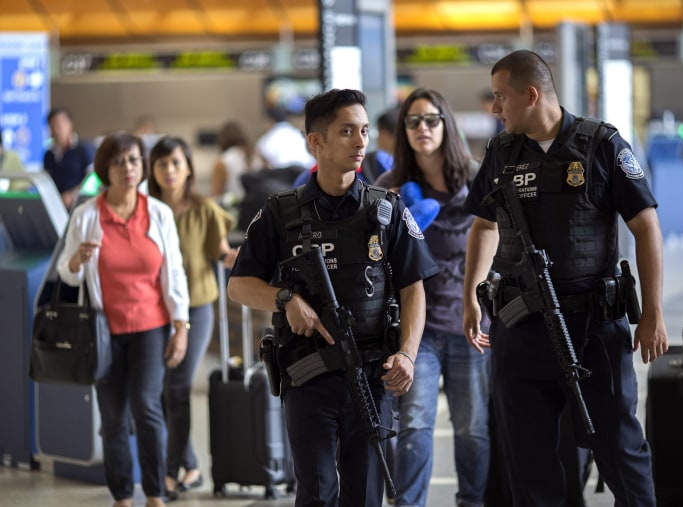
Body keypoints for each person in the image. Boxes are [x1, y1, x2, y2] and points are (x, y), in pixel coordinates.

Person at [462, 49, 668, 506]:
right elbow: (483, 225)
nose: (495, 108)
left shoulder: (601, 145)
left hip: (592, 326)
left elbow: (646, 225)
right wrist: (471, 297)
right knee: (528, 460)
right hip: (517, 329)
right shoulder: (500, 152)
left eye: (501, 97)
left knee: (619, 449)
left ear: (530, 95)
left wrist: (652, 312)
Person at [227, 88, 440, 507]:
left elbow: (414, 286)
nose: (361, 142)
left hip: (372, 374)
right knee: (318, 492)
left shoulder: (387, 210)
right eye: (346, 131)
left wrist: (409, 355)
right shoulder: (280, 213)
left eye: (363, 130)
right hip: (307, 376)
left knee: (364, 496)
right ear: (316, 142)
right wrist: (285, 297)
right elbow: (239, 285)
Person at [56, 131, 190, 507]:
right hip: (103, 329)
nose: (128, 168)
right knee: (113, 416)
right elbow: (68, 274)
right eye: (119, 162)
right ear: (105, 169)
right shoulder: (86, 216)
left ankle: (154, 493)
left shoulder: (158, 213)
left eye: (133, 160)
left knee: (147, 408)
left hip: (151, 326)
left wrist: (181, 326)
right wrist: (77, 261)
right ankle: (121, 496)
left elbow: (174, 273)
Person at [374, 87, 490, 507]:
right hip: (416, 328)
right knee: (415, 424)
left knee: (473, 426)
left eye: (431, 120)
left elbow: (502, 241)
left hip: (471, 324)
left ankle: (473, 501)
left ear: (446, 124)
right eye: (413, 121)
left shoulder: (477, 178)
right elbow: (376, 258)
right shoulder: (391, 187)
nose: (422, 128)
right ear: (403, 130)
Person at [147, 136, 238, 499]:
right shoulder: (146, 210)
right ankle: (191, 465)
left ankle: (170, 474)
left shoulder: (204, 210)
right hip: (154, 311)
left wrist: (234, 258)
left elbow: (220, 253)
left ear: (187, 168)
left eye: (175, 163)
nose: (169, 170)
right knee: (158, 392)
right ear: (152, 171)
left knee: (178, 388)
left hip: (196, 309)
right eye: (162, 164)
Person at [292, 105, 398, 188]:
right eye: (304, 134)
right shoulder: (304, 181)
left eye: (364, 131)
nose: (360, 142)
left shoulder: (377, 162)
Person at [43, 107, 95, 209]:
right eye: (52, 126)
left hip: (82, 204)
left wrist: (73, 195)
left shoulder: (83, 149)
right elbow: (46, 180)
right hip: (57, 205)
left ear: (70, 124)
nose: (56, 130)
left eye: (59, 125)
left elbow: (93, 178)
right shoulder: (49, 154)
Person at [255, 105, 315, 170]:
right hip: (306, 170)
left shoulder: (265, 140)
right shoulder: (298, 133)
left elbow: (264, 163)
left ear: (271, 120)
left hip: (283, 173)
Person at [210, 120, 256, 203]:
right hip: (261, 209)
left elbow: (216, 197)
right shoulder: (258, 155)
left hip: (237, 210)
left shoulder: (222, 161)